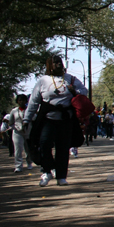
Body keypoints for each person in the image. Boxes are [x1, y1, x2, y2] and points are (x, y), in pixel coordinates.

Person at [25, 56, 88, 186]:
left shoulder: (70, 79)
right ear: (50, 65)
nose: (59, 64)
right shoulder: (43, 81)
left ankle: (61, 176)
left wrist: (74, 91)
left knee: (63, 147)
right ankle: (47, 171)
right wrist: (27, 119)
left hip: (66, 119)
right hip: (48, 118)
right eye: (55, 62)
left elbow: (84, 91)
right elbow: (34, 102)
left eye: (60, 62)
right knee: (44, 143)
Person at [1, 94, 33, 172]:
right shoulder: (14, 111)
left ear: (26, 101)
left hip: (28, 131)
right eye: (20, 100)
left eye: (23, 100)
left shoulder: (29, 110)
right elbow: (11, 122)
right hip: (17, 132)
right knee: (18, 149)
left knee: (28, 149)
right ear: (17, 101)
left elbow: (34, 119)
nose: (21, 102)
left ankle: (29, 163)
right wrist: (13, 126)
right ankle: (18, 166)